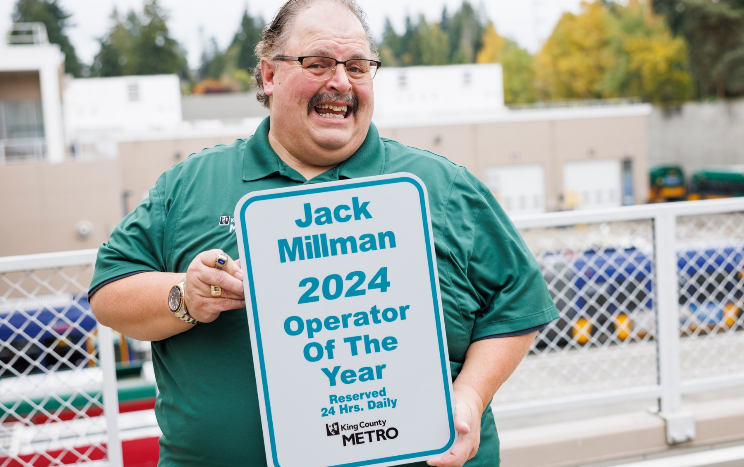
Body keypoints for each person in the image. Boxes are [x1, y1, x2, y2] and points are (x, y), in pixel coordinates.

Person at [89, 0, 558, 466]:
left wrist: (471, 396)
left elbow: (517, 300)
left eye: (357, 66)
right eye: (317, 64)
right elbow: (108, 292)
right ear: (269, 76)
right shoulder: (191, 185)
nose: (340, 81)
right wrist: (185, 298)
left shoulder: (441, 187)